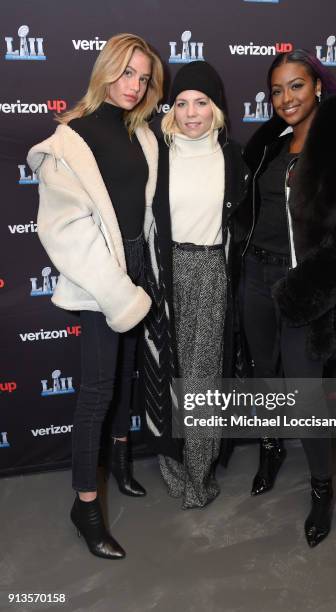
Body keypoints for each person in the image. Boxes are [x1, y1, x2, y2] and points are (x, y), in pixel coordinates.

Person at [235, 49, 336, 546]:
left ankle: (322, 488)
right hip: (255, 277)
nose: (286, 98)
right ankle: (270, 449)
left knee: (304, 396)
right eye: (277, 90)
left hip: (303, 288)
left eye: (296, 86)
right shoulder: (268, 144)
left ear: (317, 85)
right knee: (264, 375)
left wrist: (309, 290)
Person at [27, 33, 163, 559]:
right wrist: (117, 290)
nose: (134, 85)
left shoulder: (142, 134)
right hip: (101, 277)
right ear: (105, 70)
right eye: (126, 72)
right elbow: (65, 232)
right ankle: (85, 505)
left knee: (128, 373)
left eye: (143, 77)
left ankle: (123, 462)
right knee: (97, 392)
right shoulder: (69, 141)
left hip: (140, 265)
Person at [144, 61, 249, 508]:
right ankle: (173, 463)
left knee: (203, 378)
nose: (191, 113)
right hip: (165, 273)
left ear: (216, 109)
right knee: (169, 371)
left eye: (201, 103)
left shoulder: (234, 158)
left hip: (211, 273)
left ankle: (198, 472)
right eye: (182, 102)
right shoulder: (155, 152)